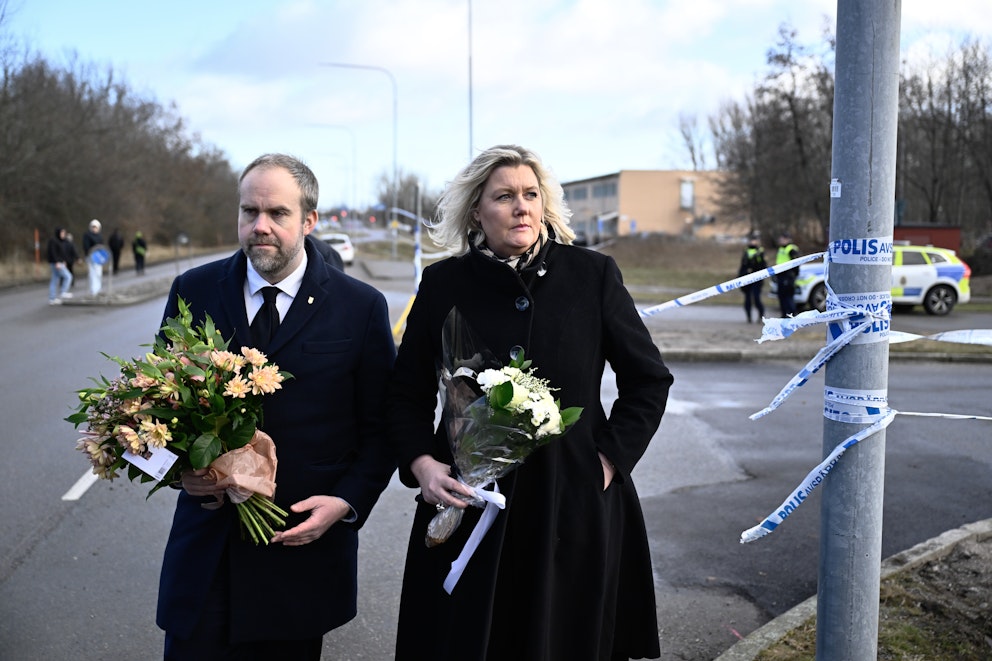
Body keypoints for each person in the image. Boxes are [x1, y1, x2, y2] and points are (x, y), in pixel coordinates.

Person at [386, 144, 673, 660]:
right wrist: (423, 465)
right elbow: (405, 392)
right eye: (504, 196)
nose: (521, 206)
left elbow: (648, 381)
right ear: (477, 210)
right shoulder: (442, 284)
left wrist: (606, 462)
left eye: (530, 194)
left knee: (562, 640)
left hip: (571, 506)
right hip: (467, 504)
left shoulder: (592, 275)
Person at [155, 153, 396, 660]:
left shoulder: (360, 307)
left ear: (309, 221)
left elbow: (382, 430)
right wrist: (180, 470)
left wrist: (346, 504)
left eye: (277, 214)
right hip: (206, 553)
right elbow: (156, 413)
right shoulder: (193, 292)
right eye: (249, 212)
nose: (260, 226)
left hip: (298, 551)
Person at [738, 232, 767, 323]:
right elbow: (742, 265)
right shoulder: (746, 250)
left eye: (754, 240)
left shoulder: (760, 251)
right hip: (746, 278)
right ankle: (749, 317)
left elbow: (764, 265)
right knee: (747, 299)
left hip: (757, 278)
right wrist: (740, 276)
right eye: (751, 240)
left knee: (756, 297)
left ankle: (761, 315)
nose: (752, 242)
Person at [775, 232, 801, 316]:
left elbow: (796, 263)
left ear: (788, 239)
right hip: (780, 275)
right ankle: (784, 315)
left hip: (788, 276)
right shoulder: (781, 248)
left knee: (788, 297)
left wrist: (793, 275)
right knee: (781, 296)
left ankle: (792, 315)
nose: (781, 241)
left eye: (783, 239)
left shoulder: (791, 249)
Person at [46, 227, 73, 305]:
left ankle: (52, 298)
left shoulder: (60, 241)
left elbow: (61, 253)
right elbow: (53, 252)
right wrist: (57, 262)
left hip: (59, 262)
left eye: (64, 233)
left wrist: (63, 260)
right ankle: (63, 292)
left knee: (55, 280)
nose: (63, 235)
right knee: (68, 276)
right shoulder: (54, 241)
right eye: (62, 233)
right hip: (56, 263)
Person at [82, 219, 106, 296]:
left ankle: (98, 288)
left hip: (98, 257)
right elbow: (86, 247)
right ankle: (94, 290)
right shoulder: (87, 236)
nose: (94, 229)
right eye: (93, 227)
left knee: (99, 273)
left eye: (96, 227)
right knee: (93, 273)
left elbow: (102, 246)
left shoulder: (100, 236)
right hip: (91, 256)